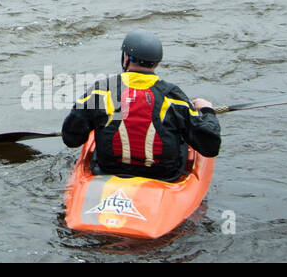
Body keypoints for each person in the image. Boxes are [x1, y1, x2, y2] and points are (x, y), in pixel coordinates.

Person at [61, 30, 220, 181]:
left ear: (126, 59)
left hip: (108, 171)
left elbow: (71, 138)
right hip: (164, 175)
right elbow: (210, 146)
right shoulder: (175, 97)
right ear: (156, 63)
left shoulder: (99, 91)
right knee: (183, 136)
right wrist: (207, 110)